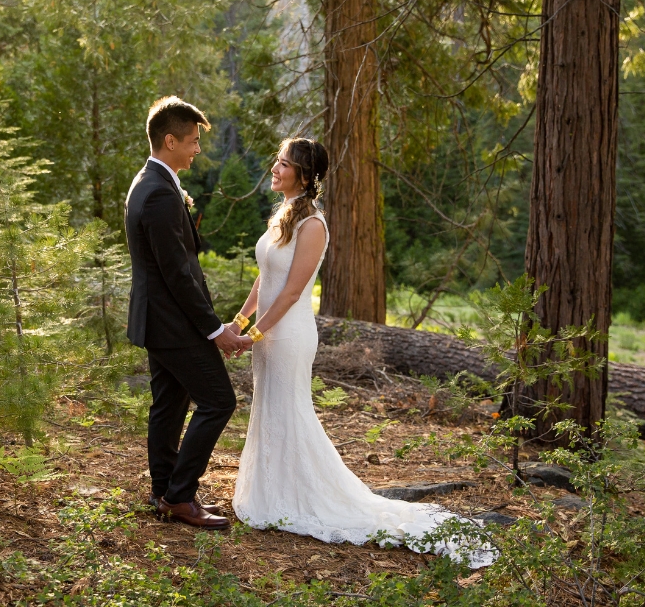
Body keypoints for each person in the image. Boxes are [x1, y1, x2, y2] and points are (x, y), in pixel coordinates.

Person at [228, 137, 493, 564]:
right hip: (266, 333)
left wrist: (253, 335)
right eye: (277, 161)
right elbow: (265, 279)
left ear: (304, 174)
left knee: (289, 410)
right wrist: (240, 323)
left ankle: (302, 497)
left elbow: (293, 291)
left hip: (288, 336)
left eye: (283, 164)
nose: (274, 169)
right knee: (269, 409)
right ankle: (271, 492)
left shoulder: (312, 224)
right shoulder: (282, 215)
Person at [125, 96, 248, 531]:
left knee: (169, 405)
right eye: (193, 141)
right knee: (218, 400)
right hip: (173, 323)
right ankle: (179, 496)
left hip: (160, 320)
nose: (198, 149)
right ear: (170, 140)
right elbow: (178, 274)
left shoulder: (152, 182)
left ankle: (165, 492)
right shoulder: (158, 192)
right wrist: (215, 330)